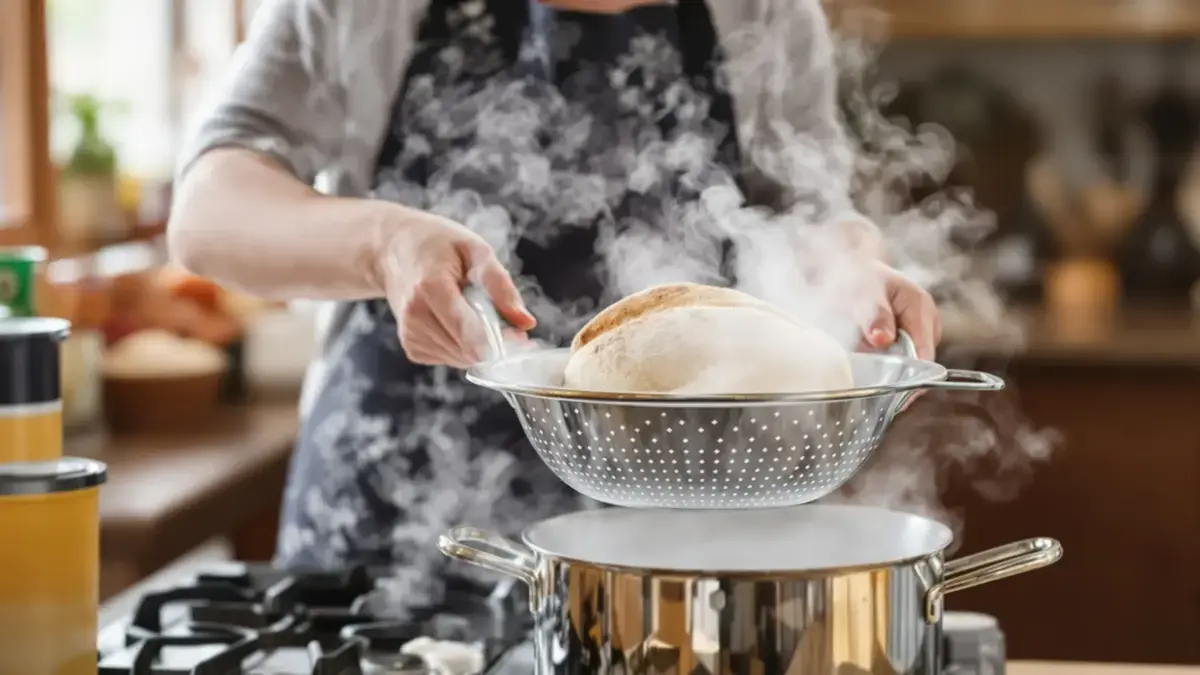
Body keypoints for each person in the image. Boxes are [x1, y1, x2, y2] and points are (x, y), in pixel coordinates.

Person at [169, 0, 941, 599]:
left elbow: (808, 213)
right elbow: (207, 212)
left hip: (676, 547)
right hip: (391, 533)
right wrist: (385, 244)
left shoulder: (761, 12)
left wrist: (854, 280)